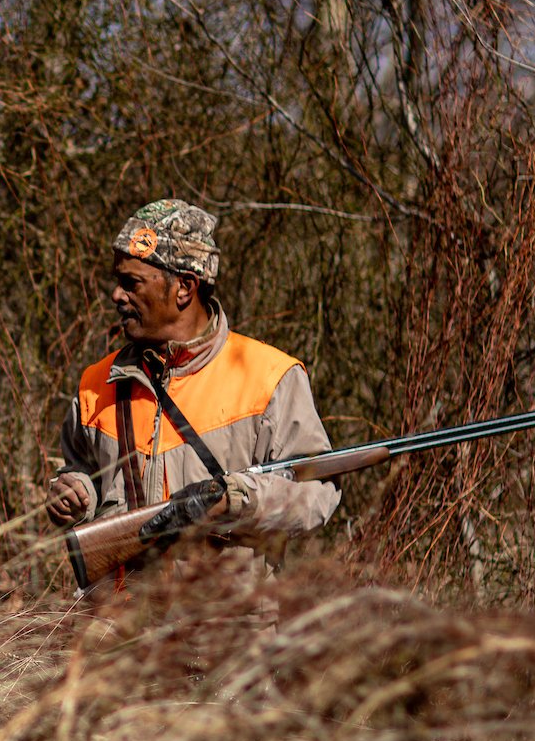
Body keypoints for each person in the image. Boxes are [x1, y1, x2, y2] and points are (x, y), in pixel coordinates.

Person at [44, 199, 339, 556]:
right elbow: (82, 471)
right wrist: (75, 494)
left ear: (185, 287)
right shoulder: (97, 382)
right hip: (117, 610)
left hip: (223, 611)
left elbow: (315, 493)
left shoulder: (270, 377)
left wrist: (237, 500)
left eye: (131, 283)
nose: (116, 295)